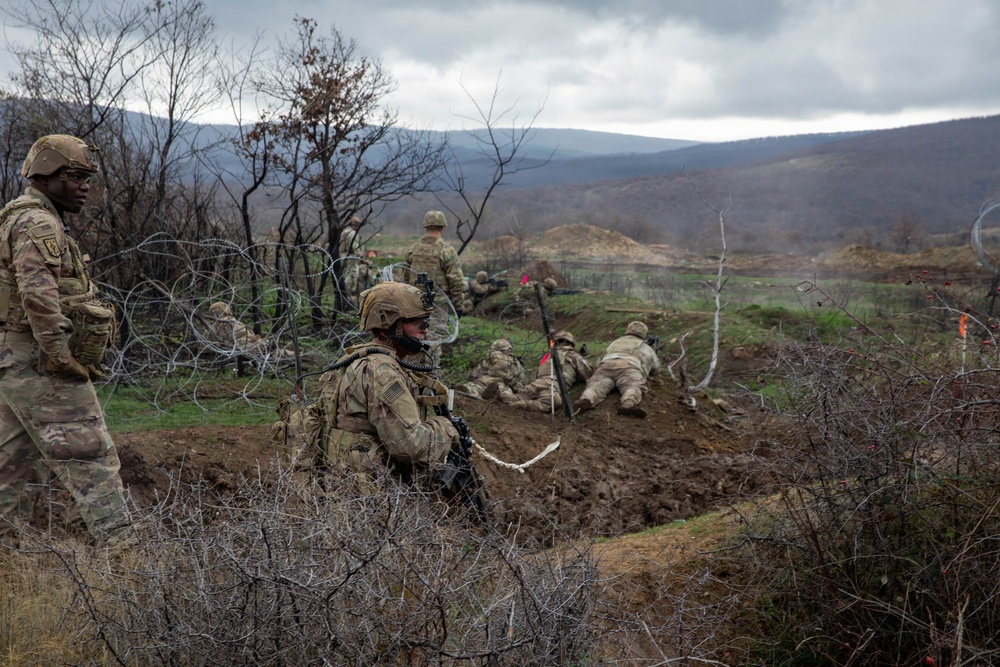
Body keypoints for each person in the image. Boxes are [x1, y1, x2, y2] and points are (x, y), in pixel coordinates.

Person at [0, 134, 132, 544]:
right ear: (48, 176)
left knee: (12, 469)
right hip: (38, 361)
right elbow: (38, 295)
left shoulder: (17, 216)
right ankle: (130, 564)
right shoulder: (38, 222)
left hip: (13, 359)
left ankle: (9, 571)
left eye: (86, 177)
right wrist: (61, 357)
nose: (85, 186)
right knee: (91, 457)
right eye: (75, 176)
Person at [315, 281, 471, 495]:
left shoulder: (358, 357)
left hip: (346, 486)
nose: (425, 331)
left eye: (426, 324)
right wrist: (446, 428)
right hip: (372, 499)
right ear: (391, 324)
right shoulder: (383, 372)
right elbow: (409, 446)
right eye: (420, 324)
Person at [574, 321, 660, 418]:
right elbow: (656, 369)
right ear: (644, 334)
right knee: (631, 386)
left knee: (596, 386)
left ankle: (586, 399)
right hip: (629, 367)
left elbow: (601, 358)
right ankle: (628, 404)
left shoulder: (615, 342)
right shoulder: (645, 347)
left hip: (606, 365)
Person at [498, 330, 592, 412]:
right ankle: (523, 405)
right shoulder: (573, 355)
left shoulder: (547, 355)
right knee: (550, 402)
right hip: (553, 384)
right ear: (571, 344)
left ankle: (501, 395)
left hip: (536, 382)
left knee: (519, 396)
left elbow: (537, 370)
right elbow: (587, 372)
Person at [405, 211, 465, 312]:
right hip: (438, 305)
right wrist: (458, 306)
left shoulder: (413, 249)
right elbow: (456, 281)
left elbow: (405, 276)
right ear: (442, 227)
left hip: (415, 301)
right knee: (437, 328)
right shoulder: (446, 250)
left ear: (426, 227)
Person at [203, 301, 293, 359]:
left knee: (261, 347)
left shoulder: (212, 325)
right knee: (261, 348)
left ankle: (278, 352)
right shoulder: (223, 323)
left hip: (243, 342)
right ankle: (282, 353)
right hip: (239, 344)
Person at [458, 339, 526, 400]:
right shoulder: (515, 362)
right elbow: (518, 382)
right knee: (507, 397)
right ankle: (498, 397)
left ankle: (471, 391)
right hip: (503, 386)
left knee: (471, 388)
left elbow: (475, 374)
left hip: (484, 381)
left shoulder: (491, 355)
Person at [339, 216, 363, 300]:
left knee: (347, 274)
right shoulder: (352, 233)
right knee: (351, 274)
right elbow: (355, 246)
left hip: (344, 255)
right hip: (351, 256)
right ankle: (348, 294)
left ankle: (346, 294)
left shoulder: (345, 231)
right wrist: (360, 256)